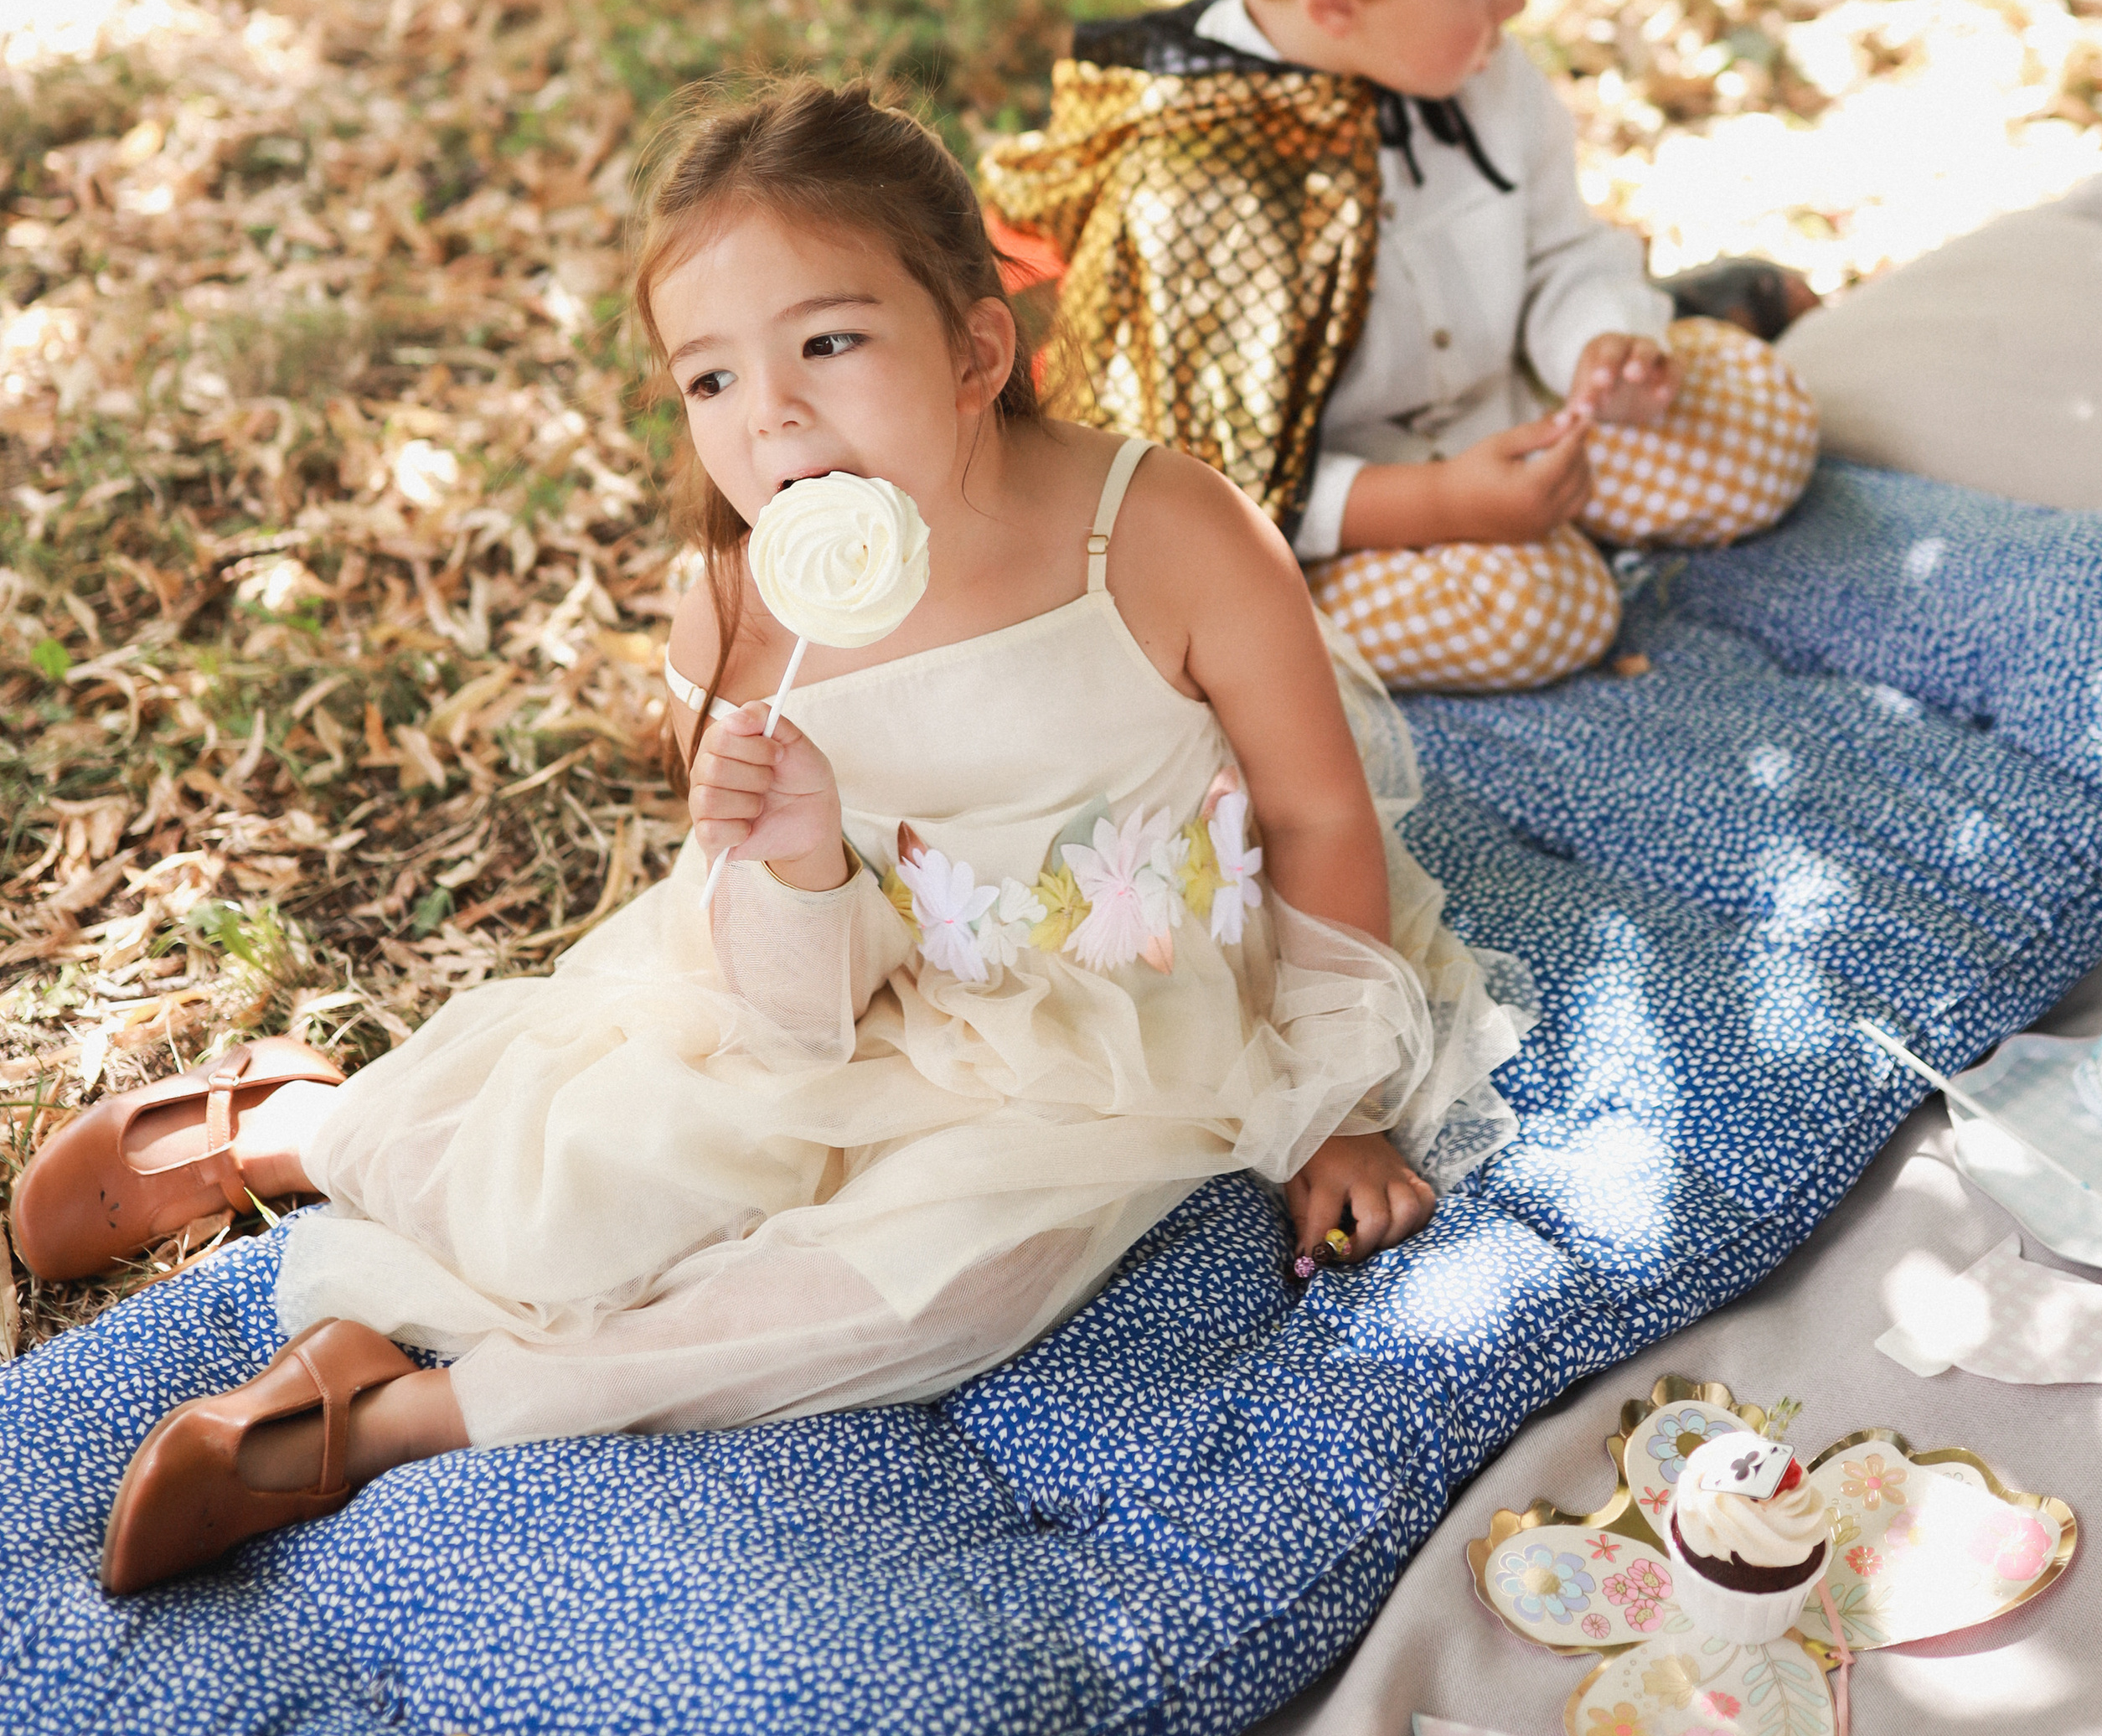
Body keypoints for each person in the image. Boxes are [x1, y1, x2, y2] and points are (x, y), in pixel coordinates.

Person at [15, 78, 1516, 1598]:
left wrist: (1336, 1099)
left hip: (1118, 1033)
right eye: (712, 380)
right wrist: (797, 856)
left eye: (830, 343)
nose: (773, 413)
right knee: (589, 1187)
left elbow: (1321, 811)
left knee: (946, 1294)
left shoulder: (1162, 534)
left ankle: (387, 1415)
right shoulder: (739, 621)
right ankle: (310, 1127)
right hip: (839, 995)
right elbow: (792, 1020)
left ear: (977, 349)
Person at [979, 0, 1820, 698]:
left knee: (1763, 426)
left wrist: (1599, 343)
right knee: (1542, 610)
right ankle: (1261, 645)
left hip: (1503, 409)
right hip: (1328, 504)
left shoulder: (1474, 70)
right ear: (1339, 0)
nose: (1513, 8)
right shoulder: (1206, 177)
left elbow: (1559, 250)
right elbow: (1200, 475)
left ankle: (1550, 510)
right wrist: (1434, 504)